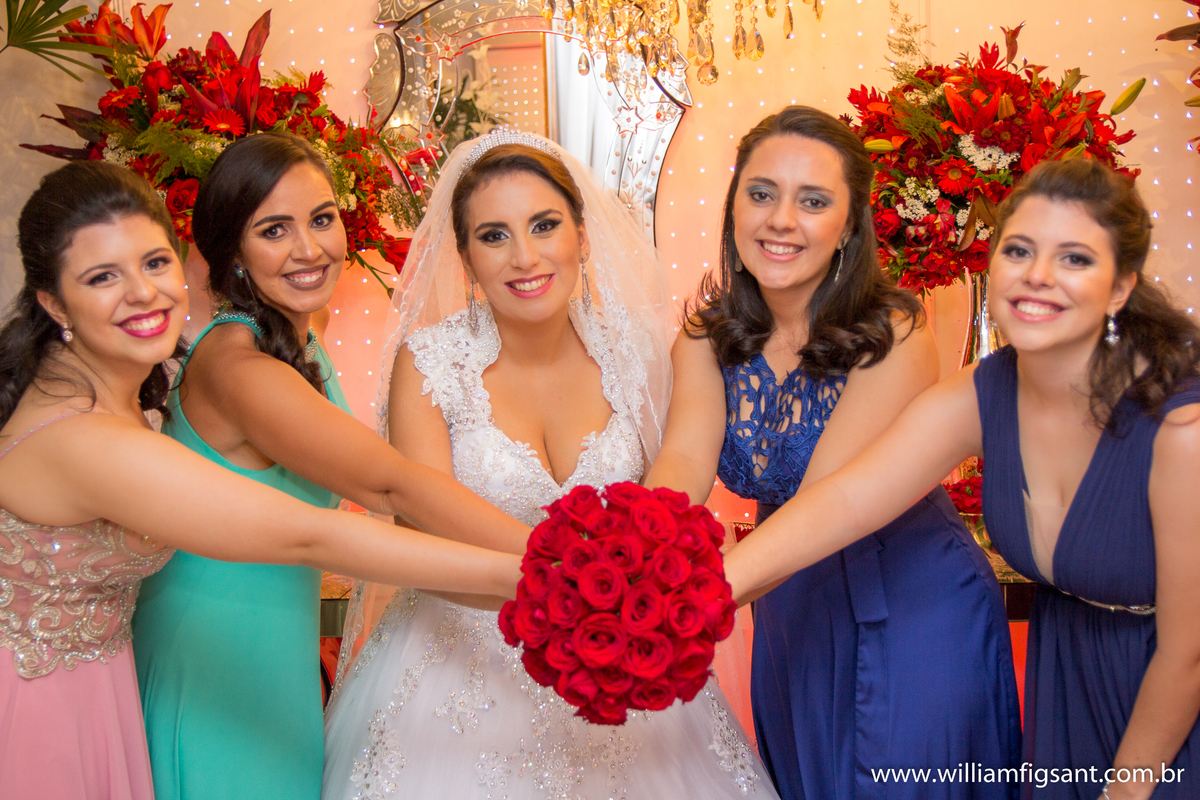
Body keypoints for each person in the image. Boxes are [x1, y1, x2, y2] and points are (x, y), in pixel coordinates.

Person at [0, 162, 521, 800]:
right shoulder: (87, 436)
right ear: (53, 301)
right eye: (103, 277)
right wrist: (537, 574)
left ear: (185, 263)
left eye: (154, 264)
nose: (143, 293)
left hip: (124, 686)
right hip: (59, 710)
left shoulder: (113, 387)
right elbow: (316, 531)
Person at [722, 157, 1200, 800]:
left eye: (1075, 259)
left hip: (1170, 706)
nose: (1037, 276)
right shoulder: (986, 390)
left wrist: (1127, 789)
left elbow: (1189, 652)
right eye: (1020, 250)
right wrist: (699, 596)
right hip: (1068, 684)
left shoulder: (1183, 429)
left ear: (1120, 289)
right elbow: (849, 498)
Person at [322, 130, 778, 799]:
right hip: (457, 664)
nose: (525, 256)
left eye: (544, 225)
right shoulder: (427, 363)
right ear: (466, 259)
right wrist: (560, 583)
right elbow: (424, 521)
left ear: (583, 236)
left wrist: (632, 596)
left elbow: (676, 478)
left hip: (623, 653)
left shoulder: (642, 351)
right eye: (494, 236)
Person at [644, 106, 1021, 800]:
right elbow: (680, 465)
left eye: (813, 201)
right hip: (790, 610)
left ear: (848, 226)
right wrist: (632, 562)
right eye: (761, 194)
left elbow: (827, 503)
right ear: (734, 208)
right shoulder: (706, 338)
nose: (781, 220)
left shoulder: (896, 332)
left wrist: (689, 605)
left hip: (915, 604)